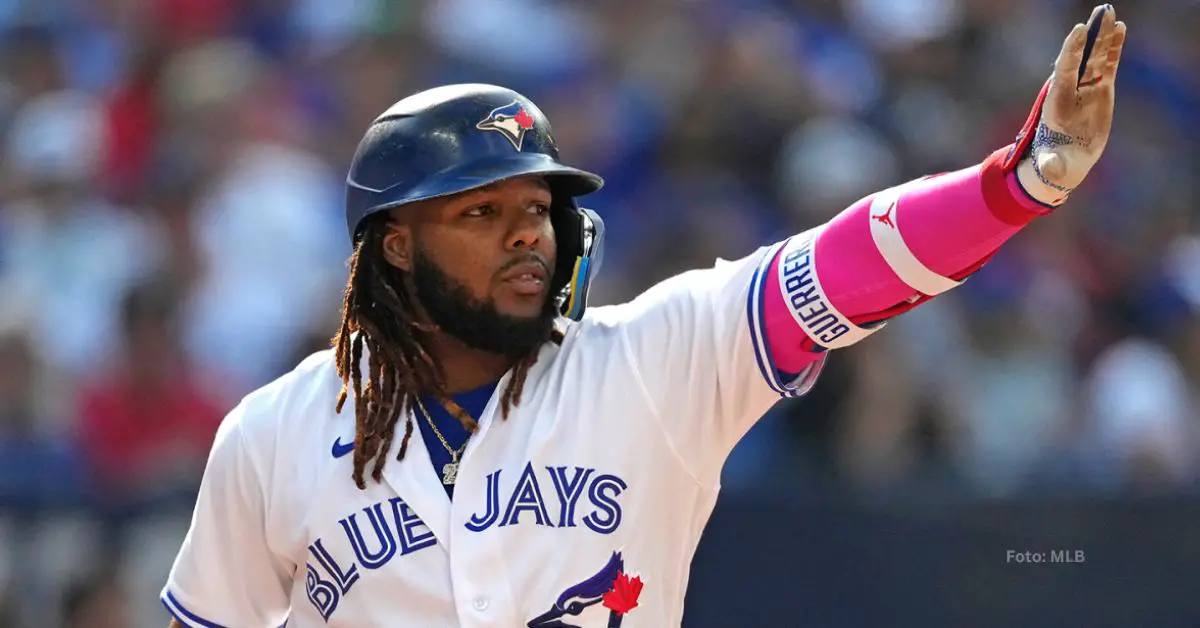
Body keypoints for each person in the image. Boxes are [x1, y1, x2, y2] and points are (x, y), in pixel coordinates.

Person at [162, 6, 1126, 627]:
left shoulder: (651, 364)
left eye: (538, 209)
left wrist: (1024, 180)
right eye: (481, 212)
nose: (527, 236)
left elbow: (846, 264)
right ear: (396, 248)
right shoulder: (271, 436)